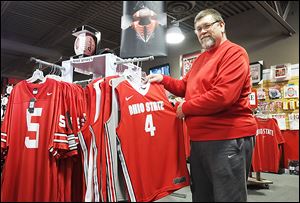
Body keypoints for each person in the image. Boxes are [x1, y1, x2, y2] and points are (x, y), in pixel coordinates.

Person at [147, 8, 257, 202]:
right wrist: (162, 79)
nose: (202, 31)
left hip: (227, 139)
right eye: (198, 29)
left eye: (206, 26)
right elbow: (184, 86)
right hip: (200, 141)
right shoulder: (200, 59)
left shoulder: (234, 53)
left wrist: (185, 108)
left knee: (227, 197)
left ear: (221, 26)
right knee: (202, 196)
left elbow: (223, 96)